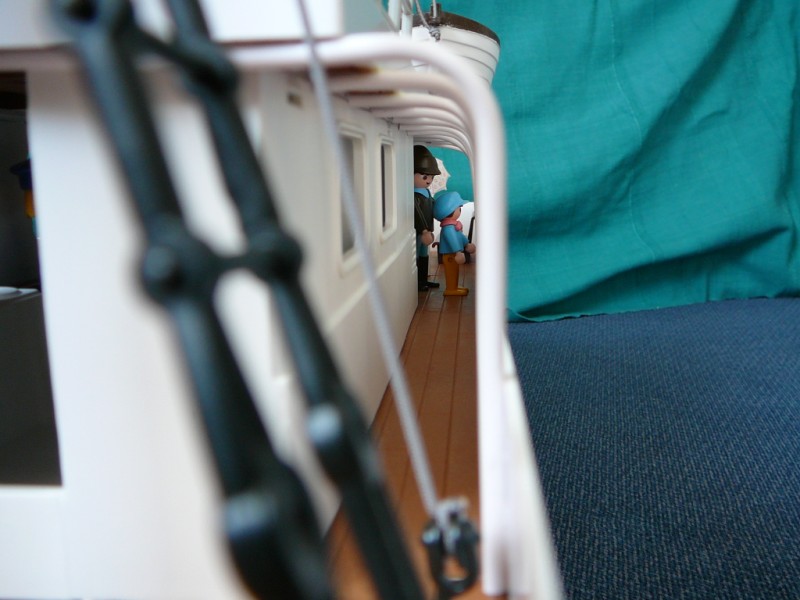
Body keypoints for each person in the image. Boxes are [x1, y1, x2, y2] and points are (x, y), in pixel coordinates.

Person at [433, 191, 476, 297]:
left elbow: (459, 236)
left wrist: (466, 244)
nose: (460, 211)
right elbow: (452, 240)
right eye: (459, 209)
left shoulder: (453, 226)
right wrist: (458, 251)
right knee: (451, 272)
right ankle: (451, 289)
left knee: (455, 271)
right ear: (450, 212)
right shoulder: (448, 228)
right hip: (450, 254)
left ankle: (454, 287)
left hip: (452, 254)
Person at [413, 145, 440, 291]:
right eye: (425, 177)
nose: (429, 180)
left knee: (424, 254)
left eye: (431, 177)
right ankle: (417, 282)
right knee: (416, 255)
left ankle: (424, 280)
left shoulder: (426, 192)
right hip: (419, 231)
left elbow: (431, 208)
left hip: (427, 230)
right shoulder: (414, 195)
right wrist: (423, 230)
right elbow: (418, 213)